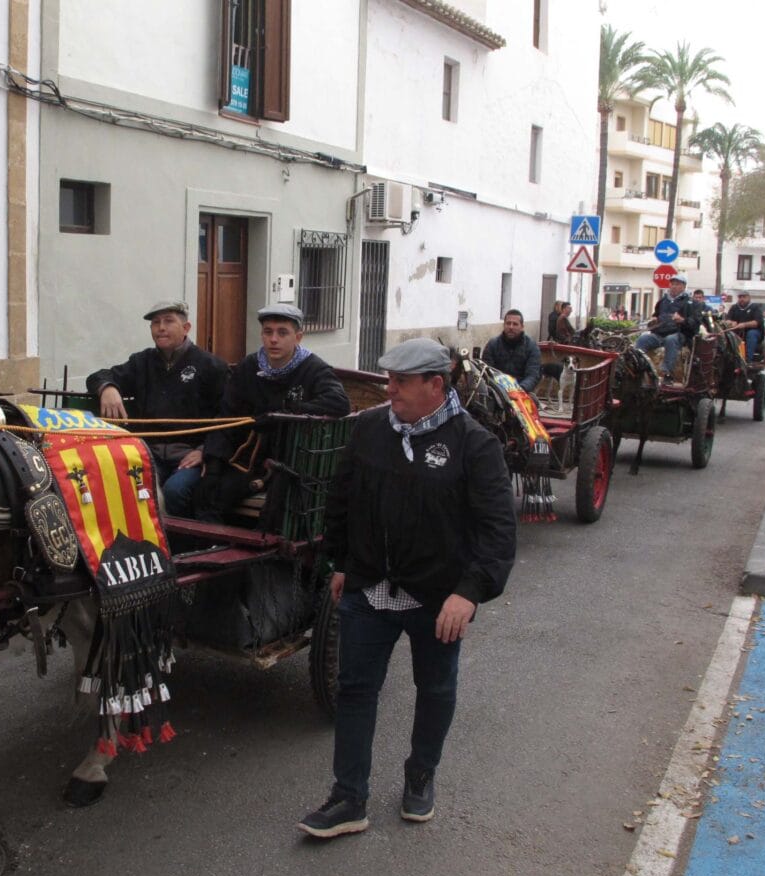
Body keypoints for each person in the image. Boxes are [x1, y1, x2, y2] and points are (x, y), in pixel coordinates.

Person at [296, 337, 517, 838]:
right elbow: (342, 498)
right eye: (388, 378)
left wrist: (470, 591)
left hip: (437, 600)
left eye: (400, 381)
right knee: (355, 690)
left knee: (435, 689)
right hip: (368, 591)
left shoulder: (474, 444)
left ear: (435, 384)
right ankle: (349, 797)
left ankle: (421, 774)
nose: (388, 388)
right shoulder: (371, 428)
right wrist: (340, 562)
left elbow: (498, 532)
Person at [195, 303, 350, 521]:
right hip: (249, 459)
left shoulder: (314, 369)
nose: (273, 339)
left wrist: (286, 412)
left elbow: (339, 403)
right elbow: (227, 417)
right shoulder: (248, 367)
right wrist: (212, 461)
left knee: (278, 509)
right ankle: (209, 549)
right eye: (268, 332)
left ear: (298, 337)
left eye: (282, 332)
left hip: (294, 460)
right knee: (207, 494)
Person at [86, 300, 228, 517]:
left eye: (168, 321)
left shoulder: (211, 366)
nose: (161, 328)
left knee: (174, 491)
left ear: (186, 328)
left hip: (189, 455)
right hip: (148, 452)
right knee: (124, 484)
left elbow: (226, 416)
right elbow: (98, 376)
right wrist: (108, 388)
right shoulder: (142, 362)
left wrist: (204, 451)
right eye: (155, 323)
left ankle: (178, 545)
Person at [634, 273, 691, 383]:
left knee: (671, 340)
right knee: (643, 339)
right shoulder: (663, 301)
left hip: (678, 334)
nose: (674, 286)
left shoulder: (689, 303)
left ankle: (667, 373)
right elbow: (656, 314)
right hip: (660, 334)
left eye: (677, 284)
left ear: (683, 286)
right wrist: (654, 319)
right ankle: (639, 368)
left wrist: (682, 320)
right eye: (672, 284)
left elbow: (694, 322)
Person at [481, 309, 543, 391]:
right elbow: (486, 371)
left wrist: (520, 389)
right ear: (504, 325)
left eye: (515, 324)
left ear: (522, 327)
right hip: (496, 392)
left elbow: (533, 374)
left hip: (522, 392)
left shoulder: (532, 347)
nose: (511, 327)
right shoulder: (492, 344)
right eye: (508, 323)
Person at [725, 291, 765, 362]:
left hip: (754, 331)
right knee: (727, 334)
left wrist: (744, 325)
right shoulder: (734, 307)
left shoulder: (755, 307)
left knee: (751, 334)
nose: (742, 299)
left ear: (749, 298)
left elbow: (757, 322)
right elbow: (727, 319)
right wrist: (731, 322)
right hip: (737, 330)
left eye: (744, 297)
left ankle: (747, 359)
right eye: (740, 297)